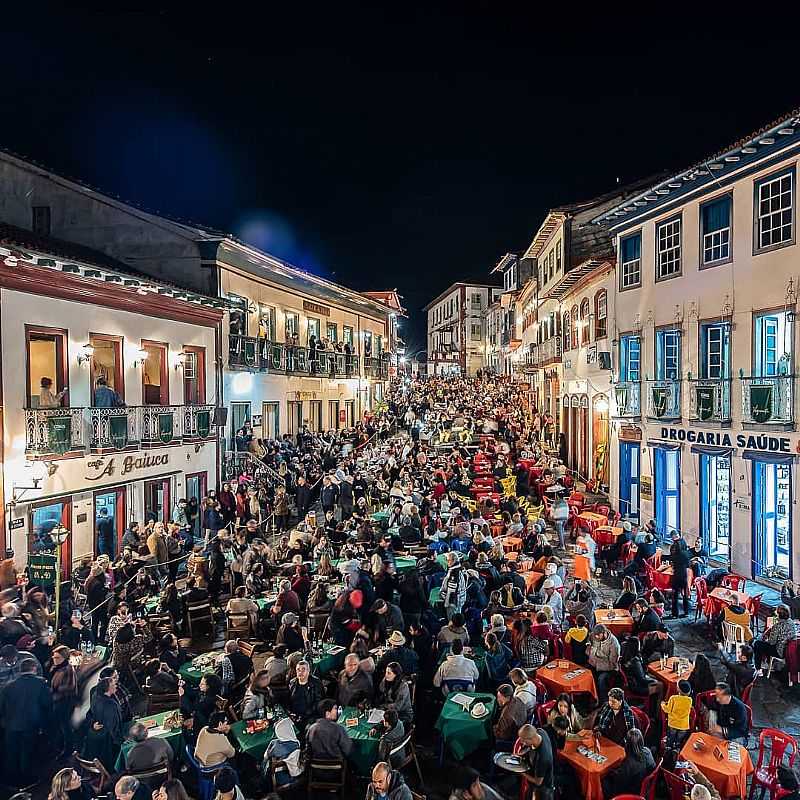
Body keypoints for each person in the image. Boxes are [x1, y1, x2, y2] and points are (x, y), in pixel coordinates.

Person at [0, 656, 52, 784]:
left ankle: (11, 781)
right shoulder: (41, 684)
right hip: (31, 725)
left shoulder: (8, 686)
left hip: (11, 726)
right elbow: (47, 705)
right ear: (34, 669)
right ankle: (26, 781)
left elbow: (2, 707)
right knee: (26, 753)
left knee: (12, 753)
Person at [601, 727, 655, 798]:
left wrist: (611, 772)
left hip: (630, 792)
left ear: (627, 744)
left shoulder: (628, 764)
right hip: (644, 788)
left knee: (603, 780)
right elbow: (653, 766)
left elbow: (619, 784)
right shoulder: (647, 751)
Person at [50, 644, 78, 755]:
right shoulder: (58, 667)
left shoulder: (68, 670)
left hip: (64, 703)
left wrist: (52, 692)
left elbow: (69, 688)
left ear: (64, 658)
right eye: (53, 656)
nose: (54, 659)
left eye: (57, 658)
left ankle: (67, 749)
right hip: (58, 701)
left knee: (65, 727)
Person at [517, 723, 555, 800]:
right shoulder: (540, 732)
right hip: (534, 773)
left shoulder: (542, 758)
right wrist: (522, 754)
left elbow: (538, 782)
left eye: (524, 741)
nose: (523, 743)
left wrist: (521, 773)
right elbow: (530, 748)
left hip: (543, 788)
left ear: (531, 739)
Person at [753, 604, 797, 668]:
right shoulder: (791, 622)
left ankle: (758, 668)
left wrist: (766, 639)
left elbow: (772, 642)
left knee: (758, 644)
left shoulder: (777, 626)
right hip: (789, 650)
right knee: (764, 643)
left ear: (779, 614)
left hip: (780, 652)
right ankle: (768, 661)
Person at [263, 718, 302, 789]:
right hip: (290, 773)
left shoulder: (276, 744)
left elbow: (266, 755)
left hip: (278, 775)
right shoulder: (296, 744)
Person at [587, 624, 620, 700]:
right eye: (595, 635)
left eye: (598, 635)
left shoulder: (614, 644)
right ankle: (590, 699)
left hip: (608, 669)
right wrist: (588, 644)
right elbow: (590, 637)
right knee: (585, 674)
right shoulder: (594, 636)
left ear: (604, 633)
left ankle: (603, 701)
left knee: (601, 680)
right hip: (593, 663)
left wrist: (598, 665)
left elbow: (612, 663)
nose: (596, 637)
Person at [376, 662, 413, 727]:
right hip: (388, 712)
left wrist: (383, 706)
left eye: (389, 673)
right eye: (386, 672)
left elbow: (397, 707)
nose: (386, 675)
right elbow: (381, 690)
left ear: (396, 675)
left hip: (403, 715)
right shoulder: (386, 680)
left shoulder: (403, 686)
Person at [288, 660, 324, 727]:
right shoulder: (292, 683)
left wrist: (305, 715)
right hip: (295, 715)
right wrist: (290, 713)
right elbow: (289, 700)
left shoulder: (316, 683)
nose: (300, 672)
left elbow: (318, 702)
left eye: (303, 669)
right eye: (298, 670)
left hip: (311, 716)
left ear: (308, 671)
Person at [661, 679, 693, 749]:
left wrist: (662, 704)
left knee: (670, 739)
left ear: (678, 689)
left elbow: (668, 710)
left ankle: (668, 749)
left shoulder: (673, 698)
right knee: (679, 741)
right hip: (684, 726)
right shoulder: (690, 700)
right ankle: (676, 749)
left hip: (673, 724)